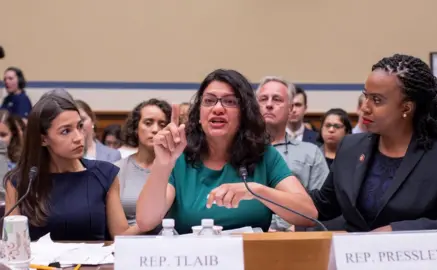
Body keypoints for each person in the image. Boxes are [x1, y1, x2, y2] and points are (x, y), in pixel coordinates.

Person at [309, 54, 437, 244]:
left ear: (406, 108)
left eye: (377, 100)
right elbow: (324, 205)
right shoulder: (351, 147)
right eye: (366, 96)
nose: (365, 108)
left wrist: (396, 232)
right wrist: (275, 181)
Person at [136, 69, 317, 234]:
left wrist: (257, 191)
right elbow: (146, 222)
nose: (218, 108)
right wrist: (162, 164)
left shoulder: (264, 155)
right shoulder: (179, 156)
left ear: (244, 113)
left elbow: (308, 214)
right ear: (199, 113)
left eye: (229, 102)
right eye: (209, 101)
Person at [4, 89, 139, 241]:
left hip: (94, 264)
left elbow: (120, 236)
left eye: (79, 126)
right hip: (39, 264)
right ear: (43, 139)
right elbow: (12, 243)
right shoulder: (20, 181)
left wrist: (146, 223)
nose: (78, 137)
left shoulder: (105, 174)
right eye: (66, 131)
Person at [256, 76, 329, 231]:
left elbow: (324, 207)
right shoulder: (237, 152)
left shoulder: (311, 153)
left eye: (277, 99)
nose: (269, 104)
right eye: (263, 99)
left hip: (295, 238)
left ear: (290, 109)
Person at [116, 99, 171, 226]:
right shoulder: (117, 169)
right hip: (127, 239)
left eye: (162, 124)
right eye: (148, 123)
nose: (155, 129)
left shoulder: (176, 168)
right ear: (136, 128)